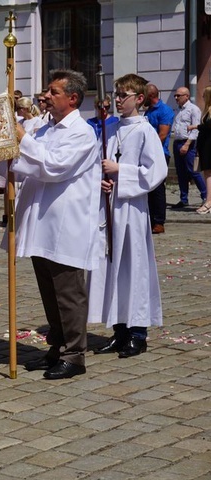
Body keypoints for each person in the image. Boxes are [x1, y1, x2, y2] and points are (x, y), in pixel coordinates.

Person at [9, 69, 102, 379]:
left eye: (53, 92)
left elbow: (53, 166)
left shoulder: (82, 132)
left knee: (69, 292)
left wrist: (23, 140)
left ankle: (75, 354)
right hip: (41, 221)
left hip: (66, 224)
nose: (44, 96)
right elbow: (27, 160)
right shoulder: (45, 128)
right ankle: (57, 346)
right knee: (49, 291)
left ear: (72, 98)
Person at [88, 73, 166, 358]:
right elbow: (97, 163)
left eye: (124, 96)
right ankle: (119, 330)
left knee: (133, 268)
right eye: (116, 95)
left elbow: (156, 172)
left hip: (132, 209)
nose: (118, 100)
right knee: (112, 270)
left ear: (139, 99)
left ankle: (137, 333)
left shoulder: (144, 131)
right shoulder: (111, 128)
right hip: (109, 208)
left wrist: (121, 173)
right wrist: (101, 179)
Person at [144, 84, 173, 233]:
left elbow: (162, 135)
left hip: (160, 153)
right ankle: (149, 219)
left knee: (158, 188)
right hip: (147, 154)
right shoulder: (148, 111)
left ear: (150, 96)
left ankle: (159, 221)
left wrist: (149, 149)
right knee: (148, 187)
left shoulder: (165, 110)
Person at [170, 86, 206, 208]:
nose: (176, 98)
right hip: (177, 141)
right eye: (175, 95)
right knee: (181, 173)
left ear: (186, 96)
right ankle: (183, 198)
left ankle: (205, 196)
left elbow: (195, 129)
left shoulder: (193, 109)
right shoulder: (178, 110)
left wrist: (187, 144)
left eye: (178, 96)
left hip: (188, 143)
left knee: (193, 171)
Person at [191, 86, 211, 214]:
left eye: (204, 95)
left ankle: (209, 202)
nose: (202, 97)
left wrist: (196, 126)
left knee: (208, 174)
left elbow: (208, 127)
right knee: (207, 174)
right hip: (205, 146)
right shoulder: (207, 111)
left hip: (209, 146)